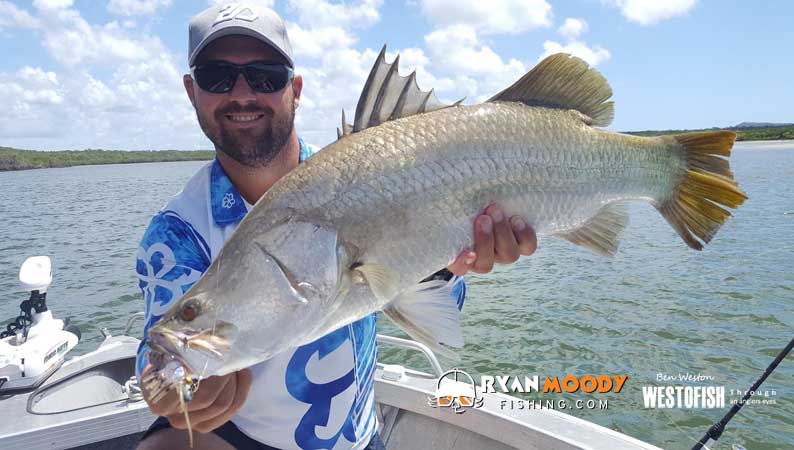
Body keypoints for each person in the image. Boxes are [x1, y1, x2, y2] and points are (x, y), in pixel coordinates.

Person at [135, 3, 537, 450]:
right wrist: (174, 391)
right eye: (217, 76)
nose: (242, 93)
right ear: (192, 91)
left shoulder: (368, 172)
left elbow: (429, 297)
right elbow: (160, 352)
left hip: (361, 439)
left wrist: (450, 267)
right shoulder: (177, 231)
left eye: (266, 76)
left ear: (296, 89)